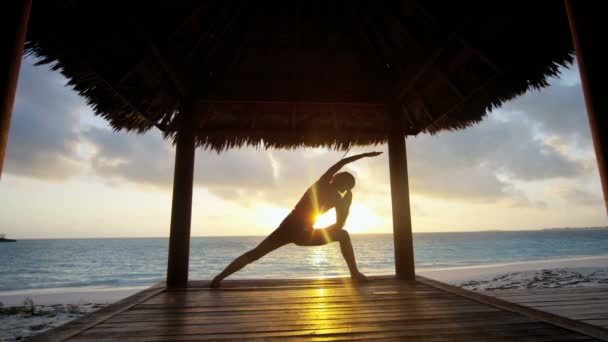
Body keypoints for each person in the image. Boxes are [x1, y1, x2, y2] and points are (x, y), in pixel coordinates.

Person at [210, 151, 383, 288]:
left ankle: (219, 277)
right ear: (344, 188)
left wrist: (364, 155)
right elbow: (339, 226)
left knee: (256, 253)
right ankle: (355, 274)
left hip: (291, 228)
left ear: (336, 179)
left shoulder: (322, 184)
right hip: (302, 233)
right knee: (343, 235)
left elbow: (340, 164)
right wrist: (347, 205)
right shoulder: (336, 197)